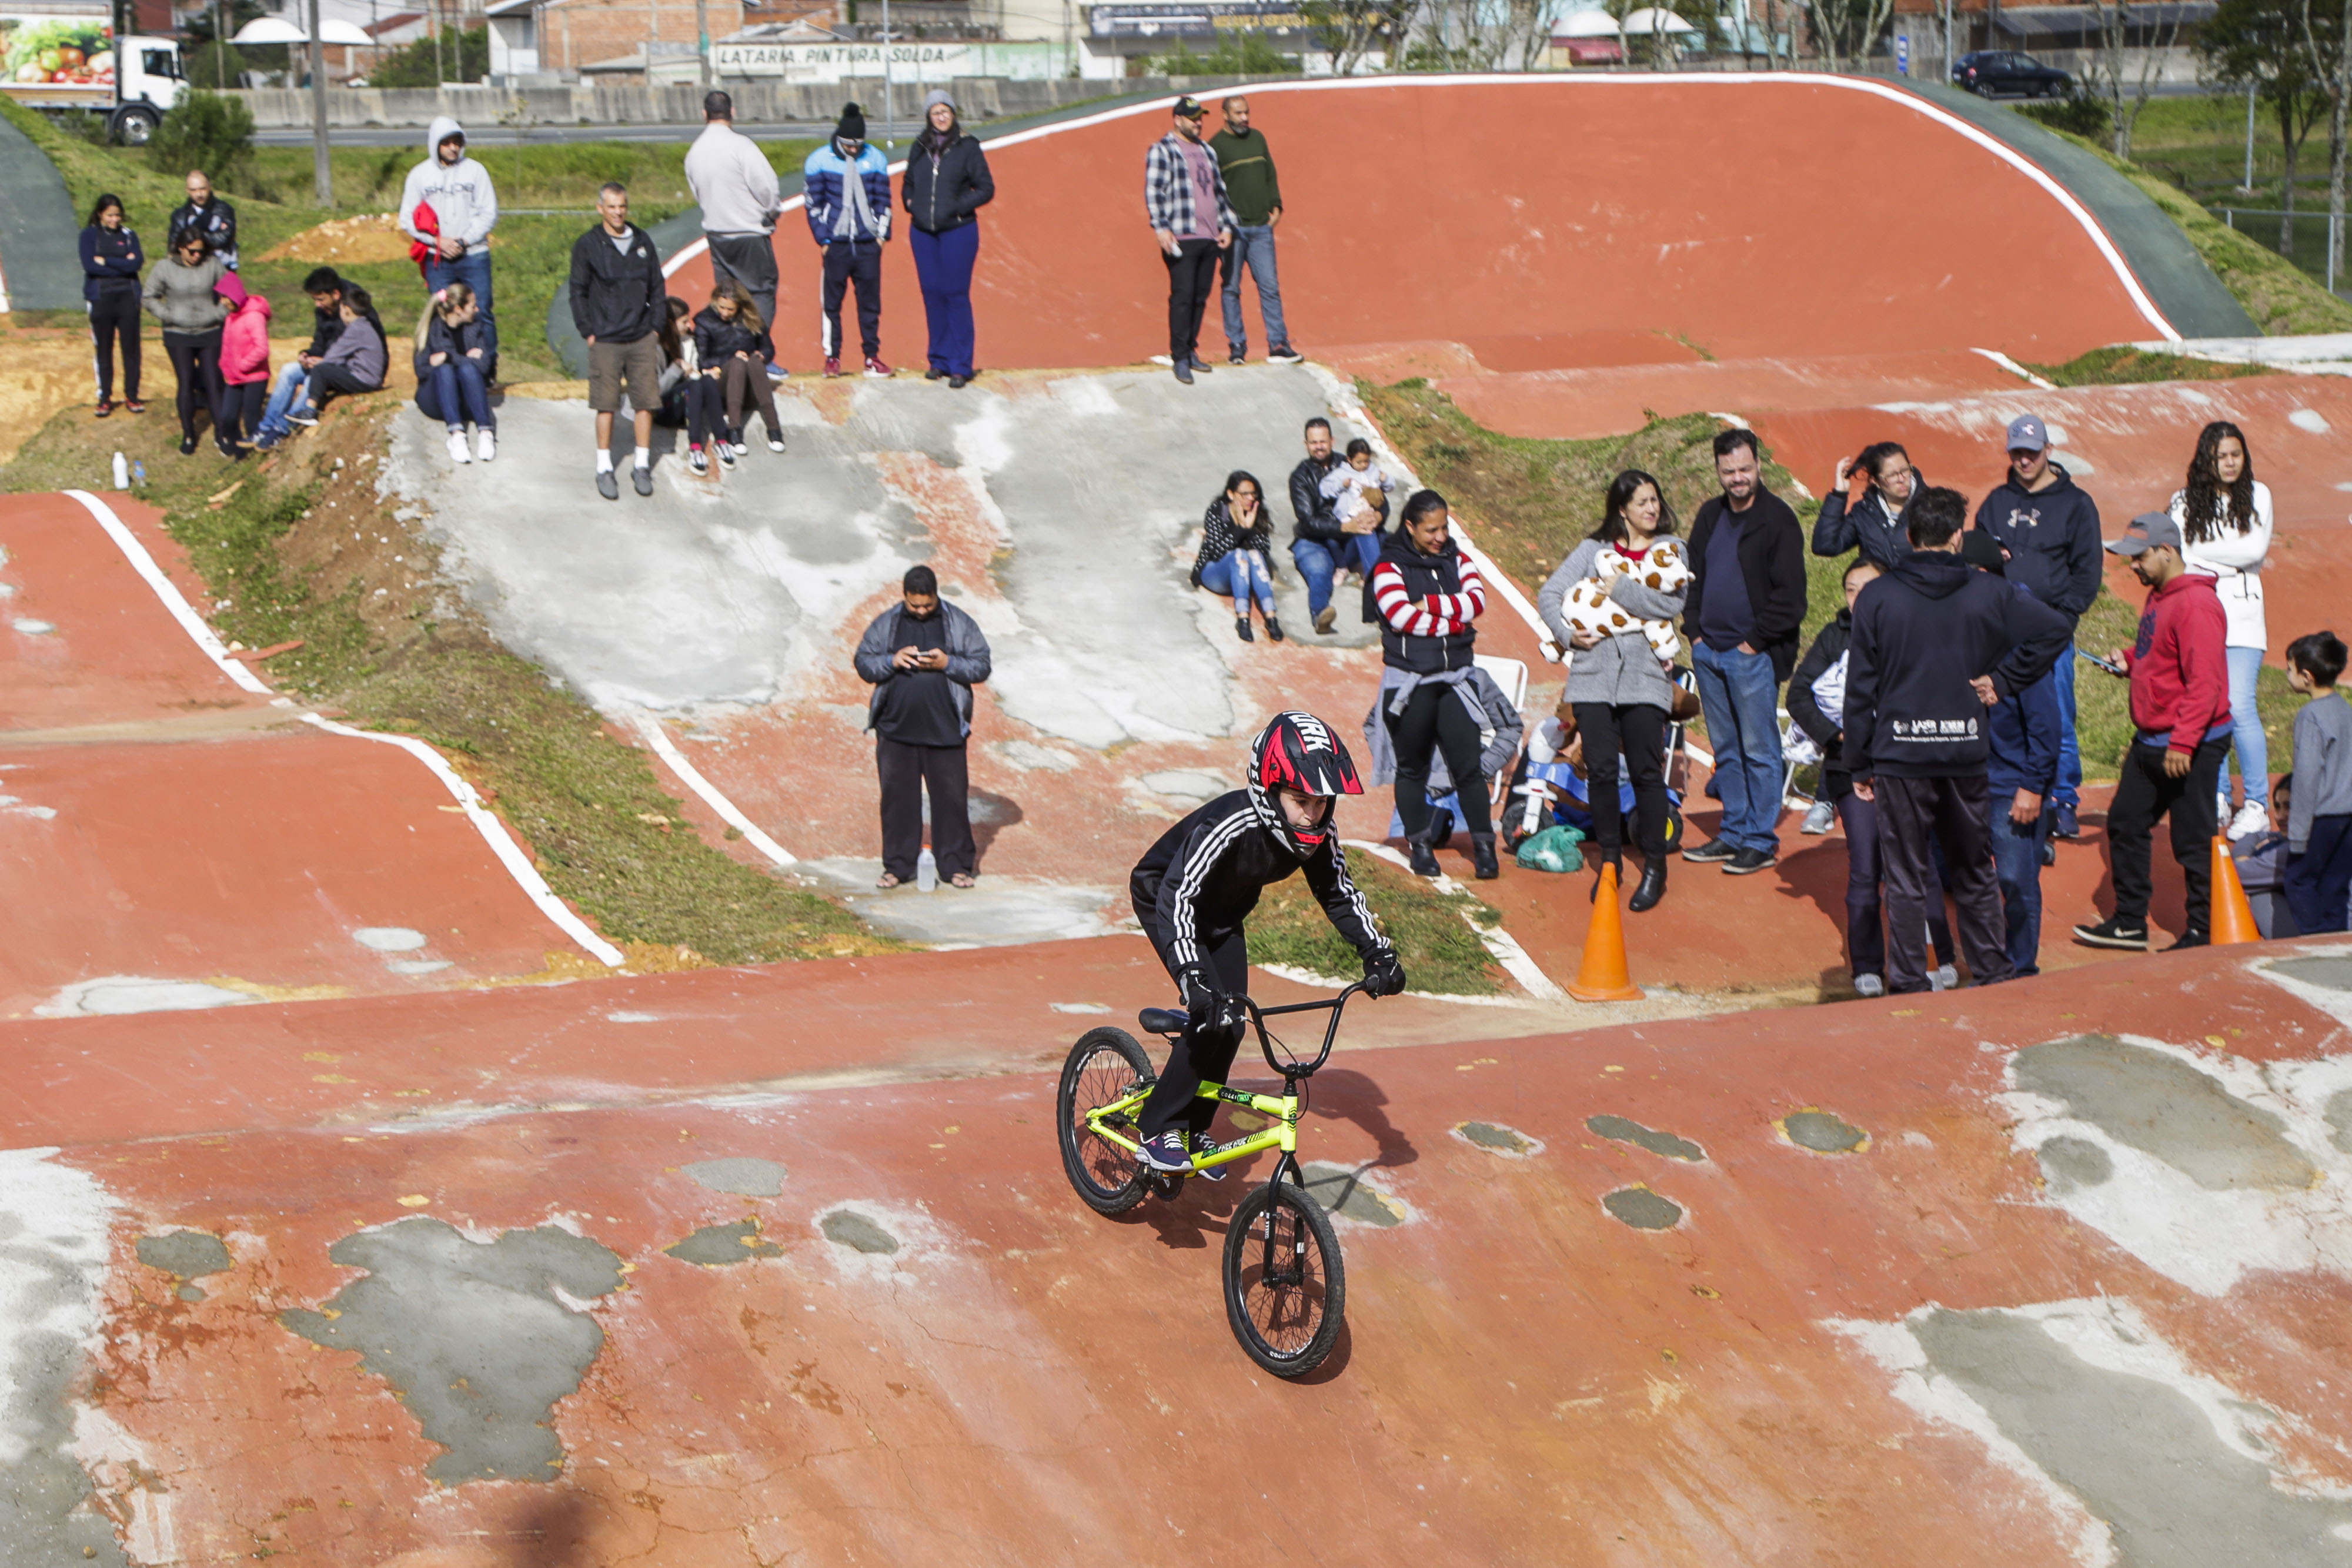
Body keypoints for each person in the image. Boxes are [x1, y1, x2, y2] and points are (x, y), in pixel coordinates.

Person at [1128, 711, 1405, 1175]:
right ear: (1268, 788)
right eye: (1301, 800)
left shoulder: (1318, 836)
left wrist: (1378, 952)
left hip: (1222, 916)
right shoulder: (1232, 823)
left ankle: (1194, 1129)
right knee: (1211, 1016)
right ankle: (1158, 1127)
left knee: (1233, 1023)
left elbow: (1338, 893)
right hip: (1168, 899)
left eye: (1322, 803)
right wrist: (1192, 976)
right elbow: (1177, 894)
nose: (1313, 814)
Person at [1843, 487, 2070, 992]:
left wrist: (1858, 763)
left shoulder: (1878, 597)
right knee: (1973, 869)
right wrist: (2007, 679)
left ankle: (1906, 980)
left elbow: (1860, 688)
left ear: (1909, 535)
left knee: (1903, 876)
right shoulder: (1991, 592)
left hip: (1900, 757)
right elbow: (2056, 630)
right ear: (1959, 537)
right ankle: (1992, 971)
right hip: (1966, 752)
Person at [1790, 560, 1958, 995]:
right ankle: (1867, 965)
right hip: (1850, 766)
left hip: (1907, 765)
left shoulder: (1913, 631)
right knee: (1866, 864)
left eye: (1869, 587)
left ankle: (1939, 956)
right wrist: (1837, 736)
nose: (1859, 597)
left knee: (1919, 863)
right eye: (1851, 589)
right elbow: (1798, 694)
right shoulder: (1834, 637)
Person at [2073, 512, 2233, 952]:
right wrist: (2129, 658)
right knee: (2125, 821)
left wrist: (2184, 742)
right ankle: (2129, 922)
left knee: (2192, 838)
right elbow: (2160, 651)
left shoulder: (2196, 605)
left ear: (2167, 551)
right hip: (2152, 739)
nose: (2134, 566)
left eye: (2140, 557)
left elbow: (2206, 682)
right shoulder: (2161, 595)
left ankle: (2203, 929)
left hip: (2190, 743)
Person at [1538, 469, 1689, 912]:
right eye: (1642, 501)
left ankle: (1655, 868)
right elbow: (1551, 594)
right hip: (1592, 677)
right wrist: (1567, 635)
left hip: (1646, 680)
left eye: (1655, 499)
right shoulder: (1591, 550)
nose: (1652, 508)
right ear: (1621, 509)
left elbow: (1668, 603)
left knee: (1645, 770)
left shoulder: (1671, 550)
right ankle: (1609, 863)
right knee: (1600, 770)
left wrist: (1617, 588)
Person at [1682, 428, 1807, 875]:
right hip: (1708, 652)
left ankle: (1759, 839)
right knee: (1727, 749)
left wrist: (1752, 645)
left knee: (1759, 750)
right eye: (1729, 470)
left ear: (1759, 467)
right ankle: (1733, 831)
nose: (1737, 478)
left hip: (1751, 657)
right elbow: (1691, 575)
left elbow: (1791, 599)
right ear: (1718, 470)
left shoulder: (1779, 520)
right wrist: (1694, 633)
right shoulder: (1710, 515)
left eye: (1745, 469)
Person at [1972, 414, 2103, 839]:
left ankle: (2063, 798)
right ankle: (2011, 792)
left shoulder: (2077, 504)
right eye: (2017, 452)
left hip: (2050, 632)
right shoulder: (1995, 501)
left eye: (2031, 451)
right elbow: (1978, 557)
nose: (2024, 460)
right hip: (2001, 631)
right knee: (2001, 709)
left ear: (2049, 450)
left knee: (2057, 714)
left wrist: (2061, 623)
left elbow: (2087, 572)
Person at [1374, 490, 1496, 880]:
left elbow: (1476, 601)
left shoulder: (1458, 559)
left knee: (1470, 769)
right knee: (1412, 770)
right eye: (1431, 529)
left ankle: (1485, 847)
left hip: (1455, 680)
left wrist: (1430, 604)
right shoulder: (1387, 566)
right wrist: (1453, 616)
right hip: (1410, 684)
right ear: (1410, 527)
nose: (1441, 535)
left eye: (1444, 526)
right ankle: (1421, 847)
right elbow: (1399, 616)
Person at [1960, 530, 2065, 978]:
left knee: (2016, 883)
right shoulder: (1954, 640)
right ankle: (1987, 965)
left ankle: (2020, 968)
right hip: (1963, 783)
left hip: (2010, 787)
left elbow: (2046, 725)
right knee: (1971, 882)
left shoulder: (2021, 650)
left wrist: (2033, 786)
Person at [853, 565, 993, 891]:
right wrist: (892, 661)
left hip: (945, 733)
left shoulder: (958, 623)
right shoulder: (887, 623)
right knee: (897, 801)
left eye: (927, 605)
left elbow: (982, 664)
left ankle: (956, 867)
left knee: (951, 801)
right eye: (914, 605)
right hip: (895, 731)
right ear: (904, 596)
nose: (920, 611)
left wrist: (948, 664)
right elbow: (863, 661)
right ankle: (898, 867)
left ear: (935, 596)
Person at [2170, 420, 2276, 840]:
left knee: (2240, 704)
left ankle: (2256, 803)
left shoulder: (2259, 495)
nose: (2230, 463)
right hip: (2200, 614)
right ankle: (2216, 793)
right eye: (2221, 456)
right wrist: (2225, 559)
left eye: (2236, 454)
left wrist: (2202, 554)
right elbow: (2179, 549)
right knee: (2208, 705)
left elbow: (2255, 549)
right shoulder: (2182, 500)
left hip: (2245, 618)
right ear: (2206, 460)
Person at [569, 183, 666, 501]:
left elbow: (657, 287)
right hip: (606, 340)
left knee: (645, 403)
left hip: (641, 337)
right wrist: (589, 331)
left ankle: (641, 465)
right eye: (611, 207)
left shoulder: (642, 241)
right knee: (606, 404)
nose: (618, 212)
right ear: (600, 209)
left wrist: (655, 328)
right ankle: (604, 467)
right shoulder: (588, 245)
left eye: (622, 206)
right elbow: (578, 291)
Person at [684, 89, 786, 380]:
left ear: (705, 114)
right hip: (749, 232)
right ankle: (759, 356)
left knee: (728, 297)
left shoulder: (694, 152)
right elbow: (767, 187)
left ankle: (731, 357)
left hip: (717, 233)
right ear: (733, 112)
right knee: (762, 292)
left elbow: (698, 192)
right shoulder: (741, 146)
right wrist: (771, 211)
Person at [903, 89, 994, 389]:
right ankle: (938, 360)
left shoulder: (968, 147)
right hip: (923, 232)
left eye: (945, 112)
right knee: (932, 293)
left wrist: (957, 207)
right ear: (928, 117)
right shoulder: (919, 147)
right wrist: (910, 203)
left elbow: (985, 188)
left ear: (953, 114)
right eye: (935, 113)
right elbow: (908, 183)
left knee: (955, 293)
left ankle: (961, 365)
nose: (941, 118)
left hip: (958, 231)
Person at [1144, 96, 1236, 386]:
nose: (1198, 122)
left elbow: (1220, 192)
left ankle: (1192, 350)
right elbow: (1154, 192)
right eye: (1193, 118)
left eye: (1200, 118)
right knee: (1182, 298)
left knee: (1199, 298)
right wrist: (1161, 228)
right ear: (1178, 119)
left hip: (1209, 236)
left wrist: (1227, 225)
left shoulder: (1207, 150)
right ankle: (1180, 357)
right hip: (1182, 235)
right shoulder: (1163, 151)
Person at [399, 118, 500, 368]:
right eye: (447, 143)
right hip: (438, 259)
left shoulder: (476, 171)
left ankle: (487, 367)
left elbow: (489, 213)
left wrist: (465, 241)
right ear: (436, 144)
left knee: (482, 311)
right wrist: (437, 241)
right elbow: (407, 219)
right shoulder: (419, 175)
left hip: (474, 254)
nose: (453, 148)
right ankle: (444, 363)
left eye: (457, 143)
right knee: (440, 312)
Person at [1208, 95, 1300, 367]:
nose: (1244, 118)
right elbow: (1212, 190)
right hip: (1233, 231)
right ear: (1225, 115)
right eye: (1238, 114)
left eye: (1246, 113)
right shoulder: (1215, 147)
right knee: (1232, 289)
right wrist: (1222, 225)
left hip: (1262, 228)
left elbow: (1270, 173)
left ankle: (1278, 344)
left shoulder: (1258, 138)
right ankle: (1237, 346)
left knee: (1270, 287)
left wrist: (1277, 206)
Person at [804, 103, 893, 379]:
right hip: (837, 246)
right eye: (848, 145)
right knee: (832, 304)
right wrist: (824, 240)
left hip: (868, 245)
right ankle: (833, 358)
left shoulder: (876, 159)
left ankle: (871, 357)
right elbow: (813, 205)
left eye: (858, 145)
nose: (853, 150)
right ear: (839, 139)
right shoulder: (819, 160)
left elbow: (884, 202)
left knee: (870, 304)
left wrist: (881, 238)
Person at [2282, 631, 2352, 935]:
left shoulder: (2310, 716)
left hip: (2321, 818)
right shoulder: (2345, 709)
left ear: (2307, 676)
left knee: (2299, 880)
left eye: (2290, 668)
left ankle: (2315, 940)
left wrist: (2298, 835)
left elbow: (2307, 777)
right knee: (2335, 885)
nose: (2287, 674)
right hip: (2348, 817)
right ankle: (2336, 944)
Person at [1288, 417, 1382, 636]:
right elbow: (1308, 521)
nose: (1319, 446)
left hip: (1350, 537)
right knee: (1320, 571)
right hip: (1315, 539)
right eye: (1313, 442)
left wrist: (1378, 515)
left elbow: (1379, 498)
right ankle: (1321, 614)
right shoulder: (1300, 478)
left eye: (1323, 441)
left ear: (1332, 441)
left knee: (1390, 546)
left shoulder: (1352, 464)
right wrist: (1344, 527)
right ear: (1306, 445)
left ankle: (1390, 601)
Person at [140, 230, 228, 457]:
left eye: (201, 251)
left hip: (210, 332)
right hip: (178, 334)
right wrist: (168, 315)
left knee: (213, 382)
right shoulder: (164, 268)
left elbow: (234, 292)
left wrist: (219, 314)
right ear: (180, 248)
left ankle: (222, 434)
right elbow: (148, 297)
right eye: (192, 251)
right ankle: (189, 434)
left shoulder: (213, 265)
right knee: (186, 381)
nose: (197, 256)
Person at [693, 283, 785, 464]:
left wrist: (762, 355)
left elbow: (768, 347)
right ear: (715, 302)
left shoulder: (752, 319)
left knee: (754, 362)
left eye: (731, 309)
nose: (725, 313)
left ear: (741, 307)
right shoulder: (705, 321)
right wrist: (730, 356)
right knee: (737, 364)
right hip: (722, 388)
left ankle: (774, 429)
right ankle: (734, 430)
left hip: (749, 387)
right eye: (722, 307)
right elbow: (703, 361)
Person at [1191, 470, 1283, 643]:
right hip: (1215, 573)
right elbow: (1217, 550)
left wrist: (1251, 527)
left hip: (1244, 576)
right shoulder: (1220, 512)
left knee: (1254, 554)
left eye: (1253, 494)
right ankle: (1243, 619)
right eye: (1244, 494)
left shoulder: (1257, 513)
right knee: (1239, 554)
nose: (1250, 498)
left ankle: (1271, 618)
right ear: (1231, 494)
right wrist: (1242, 529)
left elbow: (1263, 551)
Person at [79, 193, 143, 417]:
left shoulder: (128, 235)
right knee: (104, 350)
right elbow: (90, 266)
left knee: (132, 349)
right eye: (110, 215)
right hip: (101, 298)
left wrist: (107, 261)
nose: (115, 220)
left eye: (118, 215)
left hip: (128, 297)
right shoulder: (89, 235)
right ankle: (105, 397)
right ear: (100, 214)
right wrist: (123, 264)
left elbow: (137, 264)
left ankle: (132, 395)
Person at [1811, 440, 1920, 570]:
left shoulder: (1933, 505)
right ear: (1875, 481)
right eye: (1892, 475)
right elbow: (1825, 546)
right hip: (1878, 590)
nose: (1901, 479)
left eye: (1905, 470)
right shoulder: (1864, 513)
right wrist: (1839, 494)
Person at [423, 282, 495, 464]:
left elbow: (485, 365)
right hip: (439, 399)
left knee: (466, 369)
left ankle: (485, 432)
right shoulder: (435, 330)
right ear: (458, 309)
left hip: (468, 398)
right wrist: (467, 357)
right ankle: (456, 435)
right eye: (473, 306)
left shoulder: (476, 328)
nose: (477, 310)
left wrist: (448, 356)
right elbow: (424, 368)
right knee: (446, 370)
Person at [213, 272, 271, 457]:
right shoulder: (231, 317)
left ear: (234, 295)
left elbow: (262, 349)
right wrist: (225, 365)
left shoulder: (254, 316)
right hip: (234, 377)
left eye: (224, 297)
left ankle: (260, 457)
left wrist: (243, 365)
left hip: (254, 377)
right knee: (227, 418)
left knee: (251, 420)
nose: (222, 302)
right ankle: (241, 454)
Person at [167, 170, 237, 271]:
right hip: (190, 270)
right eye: (194, 190)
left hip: (221, 269)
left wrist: (194, 235)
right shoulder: (179, 215)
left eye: (202, 189)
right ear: (187, 190)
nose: (199, 194)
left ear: (210, 186)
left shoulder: (224, 210)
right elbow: (174, 246)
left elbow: (224, 239)